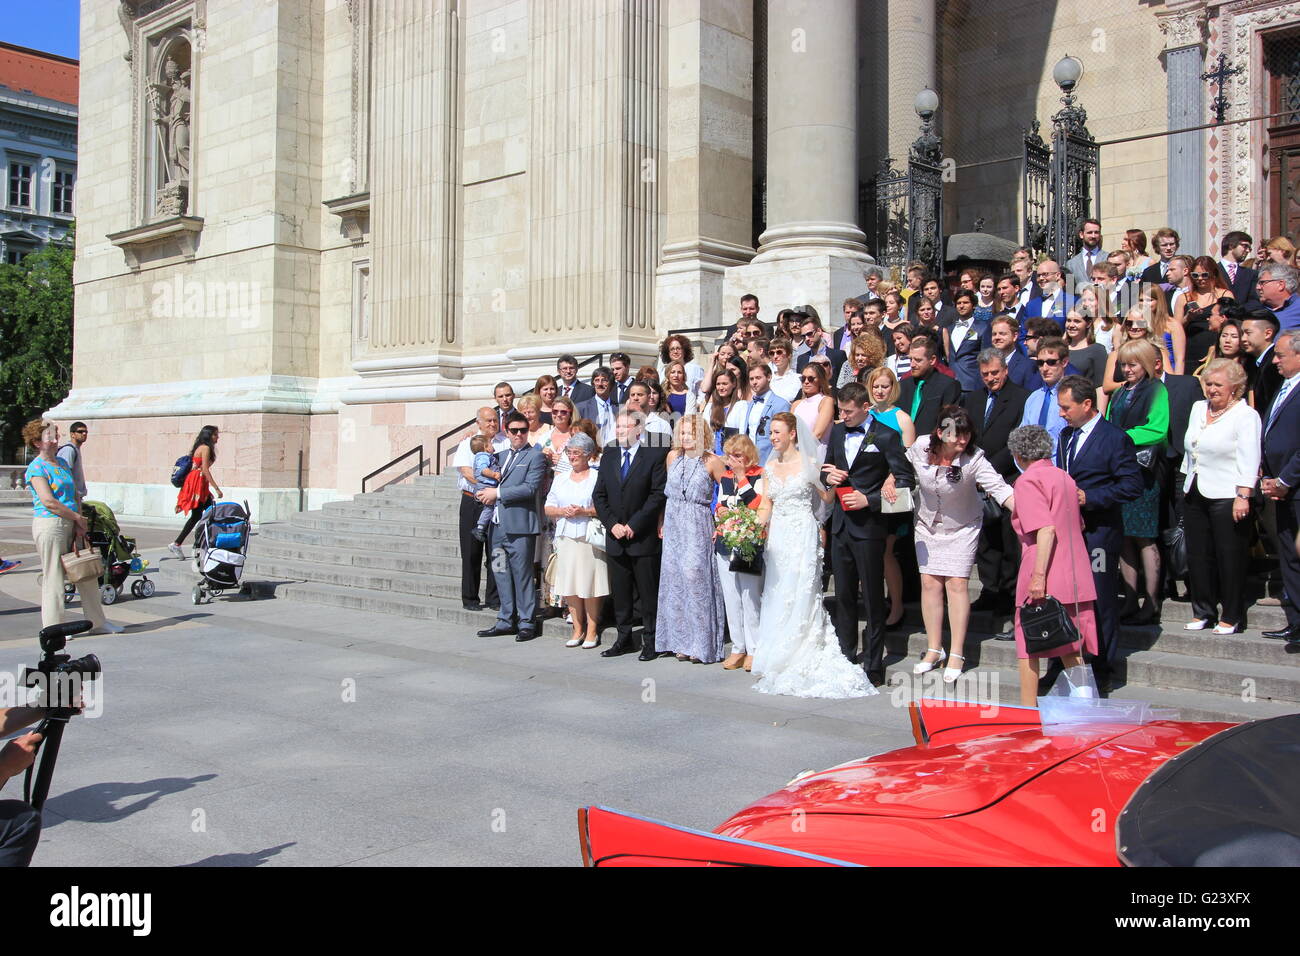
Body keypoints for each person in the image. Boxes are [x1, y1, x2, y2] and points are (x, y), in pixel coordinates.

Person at [751, 412, 878, 698]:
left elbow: (827, 498)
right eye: (771, 432)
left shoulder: (810, 464)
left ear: (793, 434)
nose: (772, 437)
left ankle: (802, 647)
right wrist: (752, 528)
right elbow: (766, 505)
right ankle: (777, 651)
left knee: (801, 590)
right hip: (779, 535)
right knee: (778, 590)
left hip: (803, 532)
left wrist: (832, 481)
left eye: (777, 432)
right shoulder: (769, 467)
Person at [907, 406, 1014, 683]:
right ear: (941, 433)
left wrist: (1029, 509)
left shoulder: (974, 459)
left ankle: (956, 652)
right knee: (930, 583)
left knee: (956, 584)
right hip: (927, 525)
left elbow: (1000, 488)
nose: (962, 441)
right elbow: (901, 467)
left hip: (963, 527)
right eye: (957, 435)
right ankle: (934, 648)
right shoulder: (921, 447)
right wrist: (891, 479)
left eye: (967, 435)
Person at [1053, 376, 1144, 691]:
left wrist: (1089, 498)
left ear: (1086, 404)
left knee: (1100, 598)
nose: (1061, 414)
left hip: (1100, 533)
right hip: (1067, 532)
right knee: (1063, 597)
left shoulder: (1114, 438)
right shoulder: (1065, 435)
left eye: (1066, 408)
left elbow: (1132, 486)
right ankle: (1062, 662)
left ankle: (1101, 666)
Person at [822, 383, 916, 685]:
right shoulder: (837, 432)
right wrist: (829, 477)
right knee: (845, 595)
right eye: (840, 410)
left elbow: (905, 479)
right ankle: (847, 655)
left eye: (849, 412)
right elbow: (827, 469)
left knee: (874, 599)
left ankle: (874, 663)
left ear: (865, 407)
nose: (843, 416)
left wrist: (871, 499)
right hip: (840, 526)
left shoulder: (886, 436)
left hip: (870, 528)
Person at [1006, 424, 1100, 707]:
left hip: (1045, 568)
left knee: (1029, 643)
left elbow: (1045, 529)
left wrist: (1038, 577)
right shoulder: (1064, 477)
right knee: (1072, 643)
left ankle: (1027, 710)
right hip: (1075, 571)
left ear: (1018, 455)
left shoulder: (1027, 482)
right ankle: (1086, 705)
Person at [1179, 359, 1260, 635]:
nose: (1211, 390)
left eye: (1218, 385)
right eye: (1208, 384)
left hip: (1228, 493)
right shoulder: (1198, 408)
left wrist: (1244, 494)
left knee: (1229, 556)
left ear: (1235, 388)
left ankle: (1232, 614)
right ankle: (1203, 610)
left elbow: (1250, 457)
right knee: (1199, 555)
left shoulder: (1245, 415)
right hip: (1196, 489)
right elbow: (1190, 448)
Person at [22, 419, 122, 635]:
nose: (56, 440)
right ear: (38, 442)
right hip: (50, 524)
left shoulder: (62, 463)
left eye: (57, 436)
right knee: (54, 577)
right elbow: (49, 501)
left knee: (86, 573)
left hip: (72, 522)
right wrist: (77, 516)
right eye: (50, 437)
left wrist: (78, 522)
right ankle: (55, 629)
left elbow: (75, 494)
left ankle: (97, 623)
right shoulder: (36, 468)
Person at [593, 409, 668, 659]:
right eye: (617, 427)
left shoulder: (654, 455)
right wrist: (612, 523)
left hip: (642, 537)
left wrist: (634, 524)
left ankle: (651, 640)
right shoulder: (610, 454)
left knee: (647, 593)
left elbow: (657, 494)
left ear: (638, 429)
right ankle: (624, 638)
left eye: (625, 427)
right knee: (621, 592)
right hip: (615, 537)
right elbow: (599, 495)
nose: (619, 431)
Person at [1105, 340, 1170, 625]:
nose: (1127, 370)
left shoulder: (1157, 389)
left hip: (1143, 472)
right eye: (1124, 365)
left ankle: (1151, 600)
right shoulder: (1119, 392)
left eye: (1132, 364)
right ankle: (1130, 598)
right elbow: (1107, 422)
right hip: (1120, 470)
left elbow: (1157, 428)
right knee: (1124, 537)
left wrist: (1122, 438)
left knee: (1144, 536)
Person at [656, 415, 727, 663]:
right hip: (674, 521)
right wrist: (662, 521)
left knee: (695, 576)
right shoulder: (672, 457)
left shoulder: (712, 461)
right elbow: (668, 494)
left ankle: (701, 643)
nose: (686, 437)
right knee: (674, 579)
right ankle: (679, 642)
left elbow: (728, 491)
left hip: (698, 521)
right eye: (683, 433)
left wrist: (723, 519)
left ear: (702, 435)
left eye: (691, 433)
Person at [965, 349, 1031, 614]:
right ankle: (989, 589)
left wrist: (988, 472)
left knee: (1007, 538)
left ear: (1005, 370)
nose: (990, 378)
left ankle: (1009, 591)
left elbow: (1016, 438)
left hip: (1007, 478)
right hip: (977, 481)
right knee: (985, 541)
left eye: (994, 372)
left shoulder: (1021, 398)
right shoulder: (973, 398)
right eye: (985, 374)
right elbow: (966, 434)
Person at [475, 412, 547, 642]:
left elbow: (530, 488)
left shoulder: (535, 456)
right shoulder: (499, 455)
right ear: (506, 431)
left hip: (520, 527)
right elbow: (482, 476)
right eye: (514, 430)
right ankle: (506, 619)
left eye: (523, 431)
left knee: (523, 574)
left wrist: (497, 493)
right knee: (499, 571)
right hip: (496, 527)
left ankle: (526, 621)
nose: (518, 435)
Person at [543, 433, 608, 649]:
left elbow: (605, 507)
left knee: (589, 584)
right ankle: (577, 628)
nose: (572, 457)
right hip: (565, 535)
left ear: (588, 455)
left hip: (588, 536)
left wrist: (585, 511)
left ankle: (591, 629)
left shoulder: (597, 477)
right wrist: (563, 511)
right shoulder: (561, 478)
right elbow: (548, 507)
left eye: (576, 453)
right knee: (570, 584)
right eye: (569, 452)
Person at [864, 365, 916, 626]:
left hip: (891, 491)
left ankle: (896, 605)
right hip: (867, 491)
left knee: (887, 551)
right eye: (875, 386)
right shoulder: (866, 415)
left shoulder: (902, 418)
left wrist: (890, 479)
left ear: (893, 388)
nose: (880, 391)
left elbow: (907, 459)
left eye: (884, 386)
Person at [1260, 328, 1300, 646]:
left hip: (1295, 486)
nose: (1274, 360)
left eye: (1280, 355)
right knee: (1288, 553)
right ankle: (1296, 619)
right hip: (1281, 487)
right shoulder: (1285, 386)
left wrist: (1286, 479)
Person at [716, 435, 765, 672]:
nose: (732, 460)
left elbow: (756, 504)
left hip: (748, 543)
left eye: (737, 455)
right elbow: (720, 504)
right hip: (726, 539)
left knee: (749, 597)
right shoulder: (725, 477)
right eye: (730, 456)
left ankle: (754, 649)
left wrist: (742, 478)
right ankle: (738, 647)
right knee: (731, 597)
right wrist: (723, 512)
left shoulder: (759, 474)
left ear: (748, 456)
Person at [454, 407, 508, 610]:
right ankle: (470, 598)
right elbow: (467, 471)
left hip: (495, 502)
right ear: (478, 422)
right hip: (473, 501)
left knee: (496, 551)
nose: (493, 424)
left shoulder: (504, 441)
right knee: (471, 552)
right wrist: (488, 486)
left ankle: (495, 598)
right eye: (488, 421)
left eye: (495, 420)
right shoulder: (468, 443)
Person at [169, 425, 222, 559]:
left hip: (199, 484)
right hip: (197, 484)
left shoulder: (202, 447)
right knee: (204, 514)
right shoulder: (205, 448)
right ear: (209, 435)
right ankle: (193, 545)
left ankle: (190, 544)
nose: (217, 437)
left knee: (203, 514)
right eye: (215, 434)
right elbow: (204, 469)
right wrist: (216, 488)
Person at [1018, 337, 1072, 453]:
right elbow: (1022, 438)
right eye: (1040, 363)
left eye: (1051, 362)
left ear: (1064, 362)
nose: (1045, 368)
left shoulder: (1072, 396)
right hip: (1032, 466)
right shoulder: (1033, 398)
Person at [899, 337, 962, 435]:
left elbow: (948, 425)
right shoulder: (903, 385)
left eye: (918, 360)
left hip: (931, 445)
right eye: (910, 359)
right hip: (901, 445)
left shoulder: (948, 385)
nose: (912, 364)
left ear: (932, 360)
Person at [741, 363, 792, 465]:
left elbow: (783, 438)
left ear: (769, 377)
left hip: (770, 461)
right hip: (749, 462)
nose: (754, 382)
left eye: (758, 378)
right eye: (751, 379)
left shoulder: (780, 404)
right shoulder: (750, 404)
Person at [944, 289, 993, 395]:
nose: (961, 306)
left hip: (972, 384)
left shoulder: (983, 327)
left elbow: (986, 357)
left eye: (965, 302)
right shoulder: (949, 329)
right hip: (951, 383)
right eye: (958, 303)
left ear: (974, 305)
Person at [791, 362, 834, 462]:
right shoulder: (796, 404)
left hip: (816, 454)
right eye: (803, 378)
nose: (806, 382)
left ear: (820, 380)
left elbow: (818, 433)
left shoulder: (826, 401)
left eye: (811, 379)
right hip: (796, 454)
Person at [1243, 310, 1283, 412]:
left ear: (1267, 333)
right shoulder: (1253, 363)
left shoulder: (1274, 365)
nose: (1243, 338)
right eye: (1242, 333)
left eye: (1248, 333)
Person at [1063, 309, 1108, 389]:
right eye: (1068, 320)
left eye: (1077, 321)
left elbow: (1100, 386)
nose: (1071, 325)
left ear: (1088, 324)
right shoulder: (1060, 348)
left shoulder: (1097, 350)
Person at [468, 435, 501, 541]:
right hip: (486, 486)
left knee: (489, 508)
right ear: (486, 447)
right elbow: (483, 469)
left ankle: (481, 527)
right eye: (491, 444)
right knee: (489, 508)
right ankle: (480, 528)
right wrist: (494, 475)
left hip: (483, 486)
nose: (493, 446)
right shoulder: (483, 456)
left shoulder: (481, 456)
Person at [576, 367, 618, 445]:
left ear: (611, 384)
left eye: (604, 380)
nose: (600, 384)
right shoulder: (581, 408)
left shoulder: (619, 408)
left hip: (614, 452)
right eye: (597, 380)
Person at [1256, 261, 1300, 330]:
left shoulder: (1298, 308)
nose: (1258, 287)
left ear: (1280, 285)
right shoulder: (1257, 310)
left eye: (1262, 283)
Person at [1065, 218, 1107, 288]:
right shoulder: (1071, 264)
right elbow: (1070, 290)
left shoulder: (1107, 258)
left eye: (1096, 232)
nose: (1093, 236)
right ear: (1081, 234)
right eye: (1090, 232)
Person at [56, 421, 89, 507]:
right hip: (70, 498)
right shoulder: (69, 450)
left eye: (86, 432)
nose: (84, 434)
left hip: (75, 497)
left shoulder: (75, 449)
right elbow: (65, 474)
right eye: (80, 431)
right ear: (72, 434)